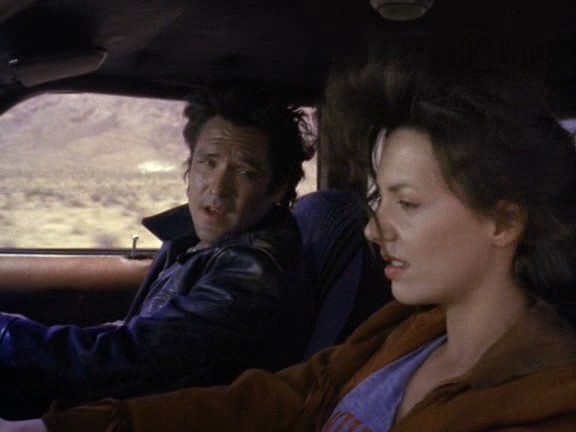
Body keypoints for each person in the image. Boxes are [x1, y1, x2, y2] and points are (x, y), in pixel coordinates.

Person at [3, 50, 576, 432]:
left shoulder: (545, 402)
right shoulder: (404, 333)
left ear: (503, 222)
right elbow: (271, 402)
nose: (374, 229)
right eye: (376, 200)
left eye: (407, 203)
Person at [0, 83, 315, 420]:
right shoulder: (197, 241)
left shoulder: (252, 276)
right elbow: (136, 340)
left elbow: (128, 359)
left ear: (276, 188)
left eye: (244, 171)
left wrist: (6, 334)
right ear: (190, 167)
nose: (217, 187)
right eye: (208, 163)